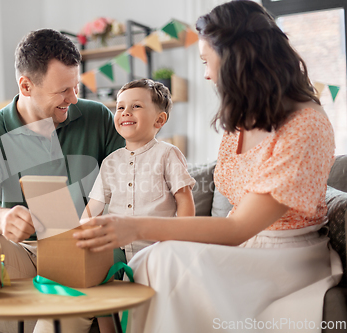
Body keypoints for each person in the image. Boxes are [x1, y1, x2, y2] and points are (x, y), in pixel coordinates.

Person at [73, 1, 343, 332]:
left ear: (239, 59)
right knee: (151, 260)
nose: (205, 74)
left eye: (207, 61)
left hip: (286, 257)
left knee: (165, 259)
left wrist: (134, 227)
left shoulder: (307, 125)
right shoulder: (243, 122)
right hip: (244, 248)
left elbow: (238, 228)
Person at [0, 28, 125, 333]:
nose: (73, 98)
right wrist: (2, 218)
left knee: (67, 303)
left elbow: (131, 181)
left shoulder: (97, 118)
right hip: (25, 251)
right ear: (26, 85)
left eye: (75, 87)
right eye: (63, 91)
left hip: (85, 251)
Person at [82, 78, 196, 333]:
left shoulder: (168, 154)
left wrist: (181, 240)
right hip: (117, 246)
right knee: (96, 269)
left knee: (152, 307)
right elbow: (95, 205)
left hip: (156, 245)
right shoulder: (110, 162)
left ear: (159, 120)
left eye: (135, 106)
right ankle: (108, 329)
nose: (125, 112)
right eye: (120, 107)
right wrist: (77, 234)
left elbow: (184, 200)